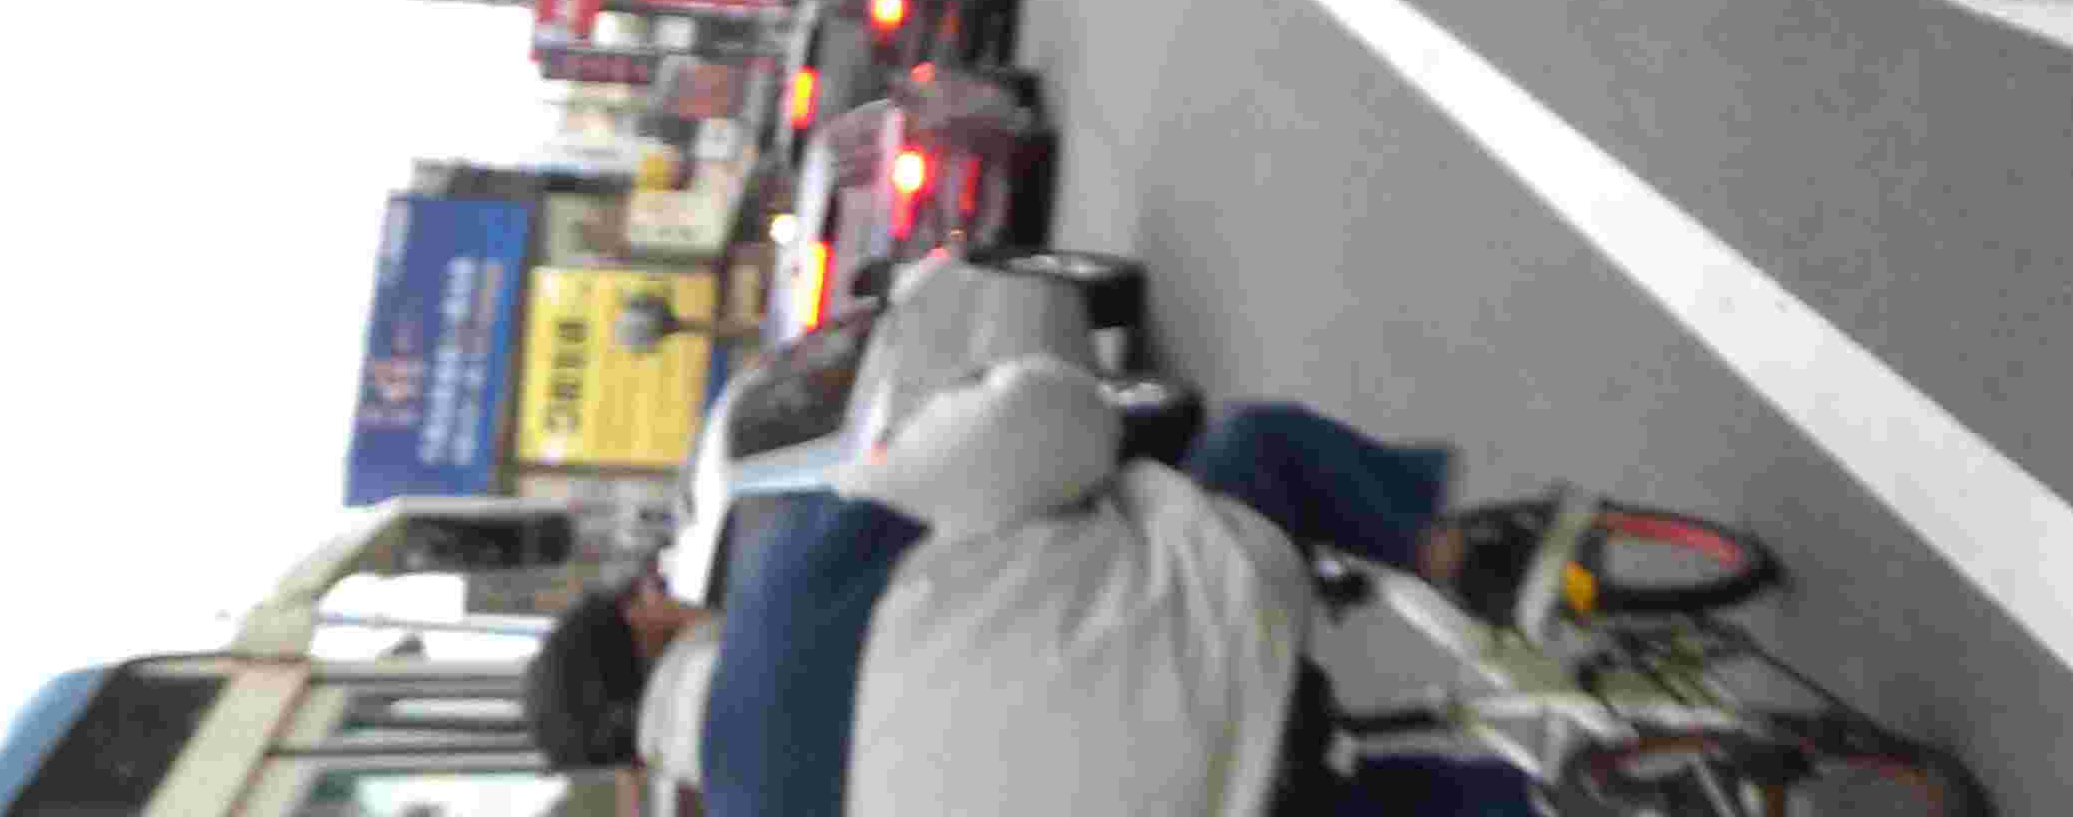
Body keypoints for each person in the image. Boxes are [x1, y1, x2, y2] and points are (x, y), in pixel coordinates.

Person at [524, 370, 1545, 817]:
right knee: (1258, 448)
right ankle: (1470, 559)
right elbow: (1047, 425)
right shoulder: (797, 573)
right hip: (1220, 628)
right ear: (646, 622)